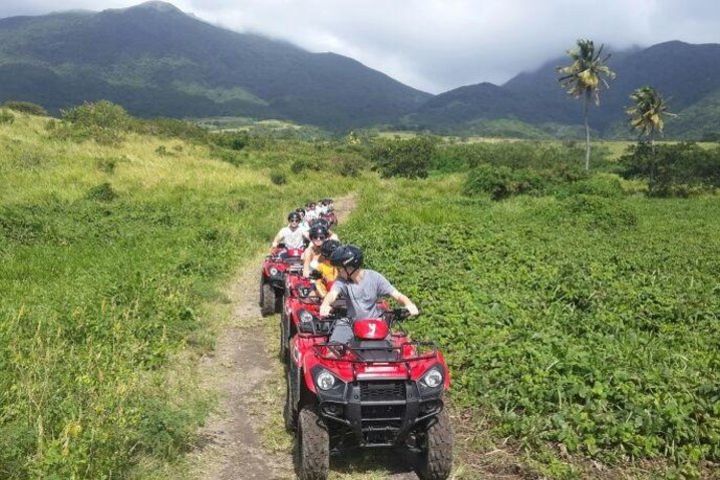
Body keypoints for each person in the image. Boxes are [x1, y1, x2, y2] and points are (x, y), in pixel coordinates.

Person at [319, 245, 419, 344]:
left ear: (349, 268)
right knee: (334, 348)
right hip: (351, 323)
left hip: (374, 323)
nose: (338, 272)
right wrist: (325, 304)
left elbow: (397, 295)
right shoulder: (342, 281)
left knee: (390, 349)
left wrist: (409, 304)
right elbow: (332, 294)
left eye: (340, 269)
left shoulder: (374, 277)